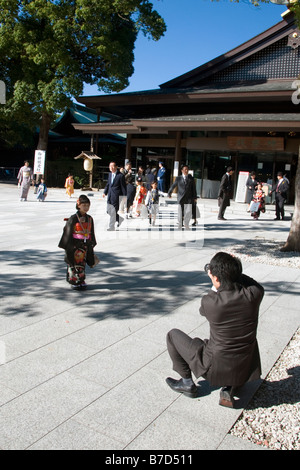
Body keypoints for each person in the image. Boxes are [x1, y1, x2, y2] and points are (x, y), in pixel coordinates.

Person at [166, 252, 264, 408]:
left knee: (172, 336)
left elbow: (202, 311)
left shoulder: (210, 302)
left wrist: (217, 282)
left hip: (215, 367)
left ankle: (186, 382)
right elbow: (252, 282)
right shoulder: (254, 294)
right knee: (237, 339)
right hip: (246, 364)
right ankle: (232, 384)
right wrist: (232, 269)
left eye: (211, 274)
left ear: (216, 278)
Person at [58, 194, 97, 290]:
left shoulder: (90, 218)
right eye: (84, 205)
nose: (86, 207)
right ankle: (74, 281)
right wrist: (70, 244)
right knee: (73, 263)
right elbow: (68, 231)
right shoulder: (73, 218)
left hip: (84, 244)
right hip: (74, 244)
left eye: (88, 205)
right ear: (78, 205)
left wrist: (91, 242)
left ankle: (81, 279)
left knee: (82, 263)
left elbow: (91, 232)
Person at [168, 165, 197, 229]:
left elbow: (194, 188)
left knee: (188, 211)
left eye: (187, 169)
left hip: (189, 197)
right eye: (185, 169)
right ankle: (180, 223)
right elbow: (173, 185)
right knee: (180, 211)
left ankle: (186, 223)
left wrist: (195, 197)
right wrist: (169, 192)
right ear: (182, 170)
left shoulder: (191, 178)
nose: (186, 171)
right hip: (181, 197)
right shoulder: (178, 178)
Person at [103, 162, 127, 230]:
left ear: (116, 167)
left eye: (112, 166)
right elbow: (108, 184)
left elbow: (123, 187)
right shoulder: (110, 174)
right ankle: (119, 219)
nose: (111, 167)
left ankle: (111, 226)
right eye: (110, 166)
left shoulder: (120, 176)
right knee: (108, 211)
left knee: (113, 211)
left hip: (116, 196)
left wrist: (124, 196)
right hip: (110, 195)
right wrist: (105, 192)